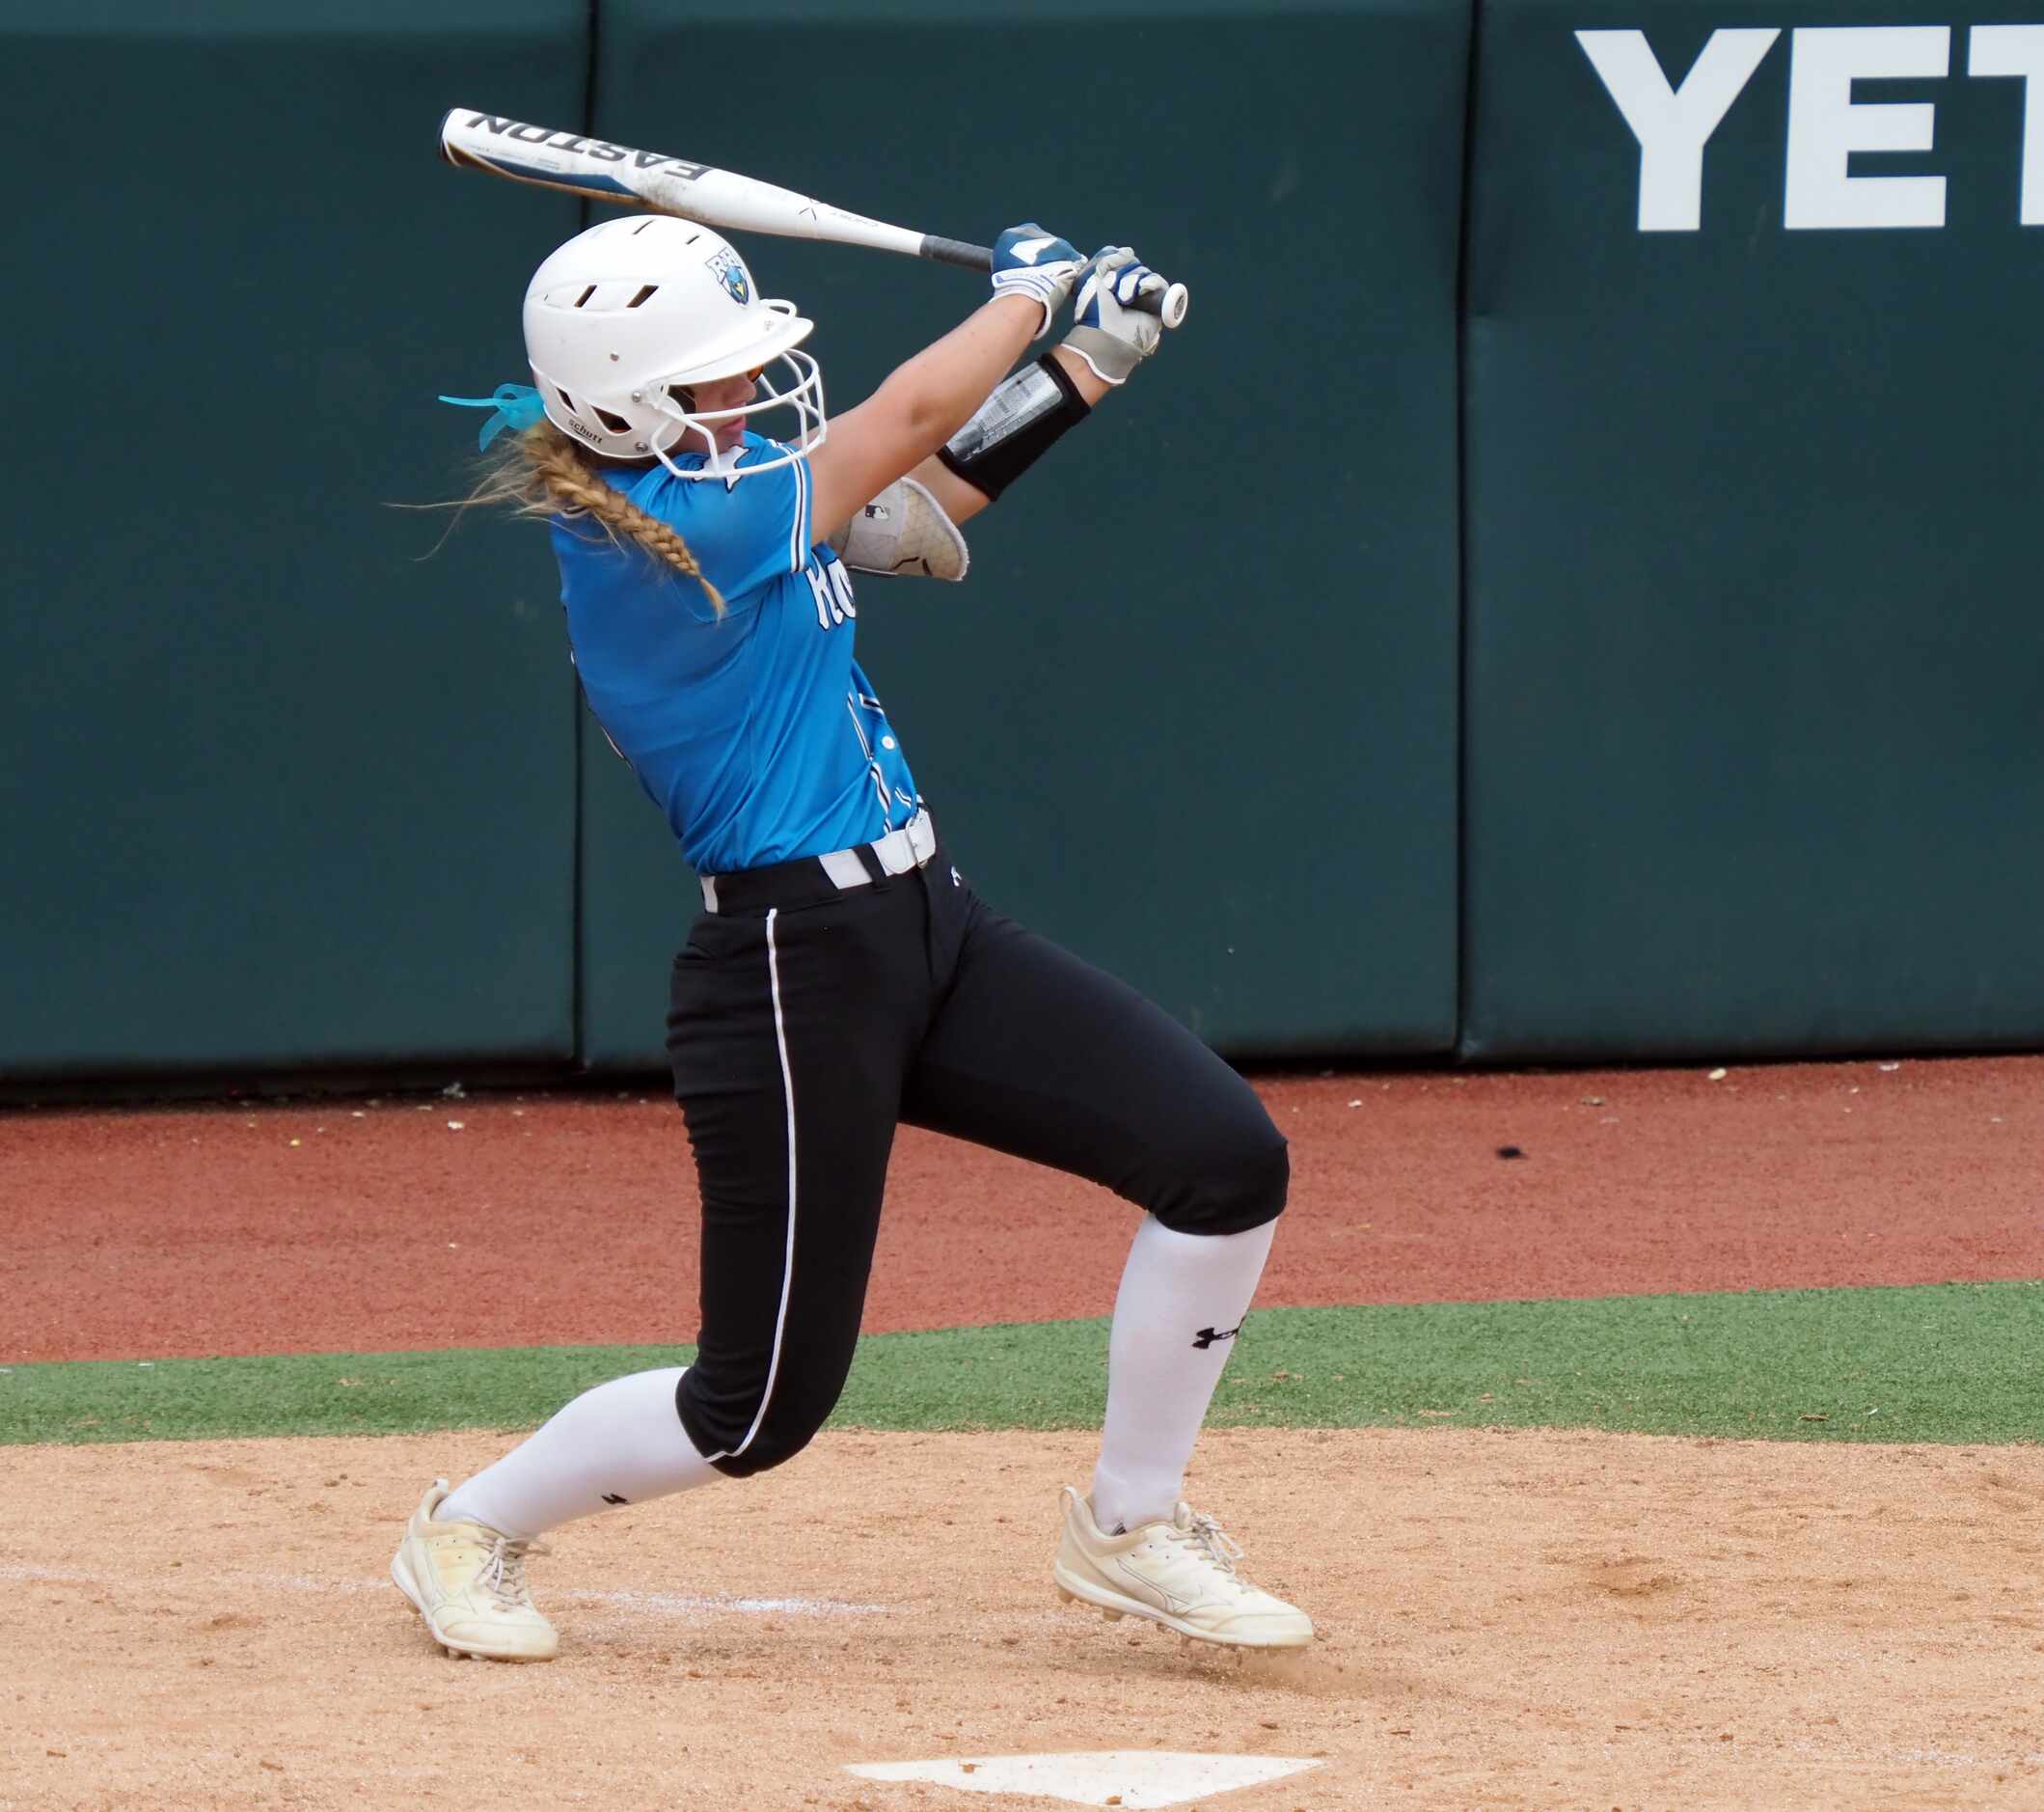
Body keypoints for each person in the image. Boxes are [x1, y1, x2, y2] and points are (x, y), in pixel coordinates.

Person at [392, 213, 1313, 1662]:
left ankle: (1130, 1523)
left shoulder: (744, 496)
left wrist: (1091, 357)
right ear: (625, 404)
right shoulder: (679, 534)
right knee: (753, 1407)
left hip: (927, 922)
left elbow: (928, 489)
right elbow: (907, 414)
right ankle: (471, 1521)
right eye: (713, 386)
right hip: (788, 967)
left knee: (1224, 1163)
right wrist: (1023, 295)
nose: (750, 399)